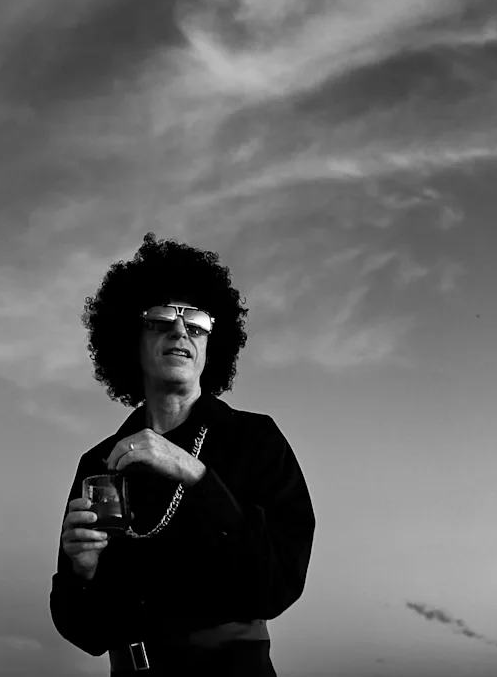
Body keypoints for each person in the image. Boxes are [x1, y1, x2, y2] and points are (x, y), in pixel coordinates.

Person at [50, 234, 315, 676]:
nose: (180, 331)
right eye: (160, 320)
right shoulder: (98, 464)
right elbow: (86, 632)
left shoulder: (255, 440)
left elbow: (277, 585)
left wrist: (194, 474)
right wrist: (83, 571)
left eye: (196, 323)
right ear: (131, 337)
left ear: (212, 343)